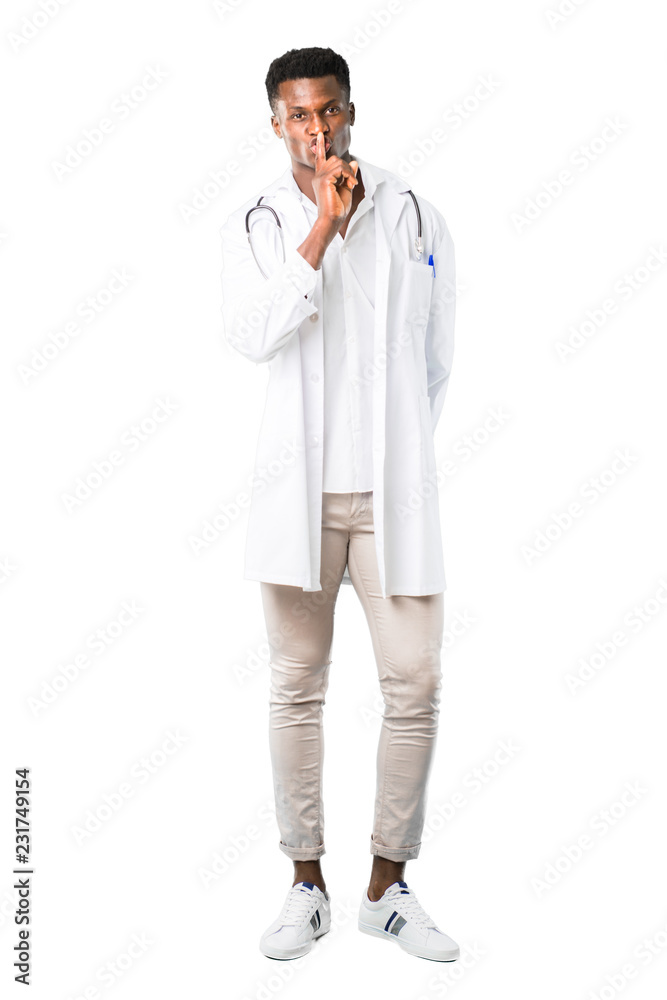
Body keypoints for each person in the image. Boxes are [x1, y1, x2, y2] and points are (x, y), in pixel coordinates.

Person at [219, 46, 459, 963]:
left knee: (416, 686)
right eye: (297, 116)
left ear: (349, 111)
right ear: (275, 123)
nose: (315, 131)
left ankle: (387, 888)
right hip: (298, 498)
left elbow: (437, 355)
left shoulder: (409, 211)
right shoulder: (262, 223)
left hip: (390, 499)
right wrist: (319, 229)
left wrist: (401, 458)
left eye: (328, 113)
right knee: (295, 689)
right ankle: (305, 885)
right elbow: (252, 333)